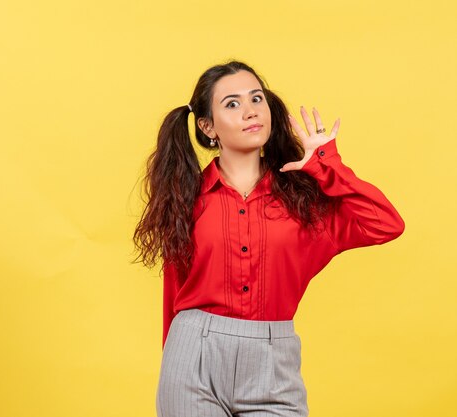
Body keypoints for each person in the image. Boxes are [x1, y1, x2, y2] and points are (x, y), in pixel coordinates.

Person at [132, 60, 405, 417]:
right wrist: (174, 362)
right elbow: (175, 292)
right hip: (193, 360)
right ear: (207, 126)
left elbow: (384, 223)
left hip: (273, 366)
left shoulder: (305, 203)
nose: (249, 112)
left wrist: (326, 164)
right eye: (232, 104)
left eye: (256, 99)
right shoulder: (186, 198)